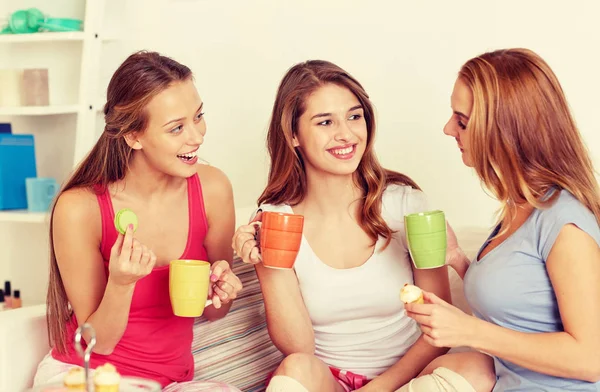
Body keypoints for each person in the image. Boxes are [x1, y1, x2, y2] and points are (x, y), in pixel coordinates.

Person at [233, 60, 458, 392]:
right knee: (295, 367)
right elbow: (299, 349)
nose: (347, 134)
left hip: (410, 381)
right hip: (329, 383)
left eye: (354, 116)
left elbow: (440, 330)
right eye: (325, 122)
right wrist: (266, 263)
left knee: (474, 366)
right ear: (293, 135)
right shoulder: (276, 218)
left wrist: (379, 388)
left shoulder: (405, 205)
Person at [33, 51, 243, 392]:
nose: (197, 136)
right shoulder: (80, 209)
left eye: (198, 116)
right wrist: (120, 284)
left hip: (171, 382)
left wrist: (222, 292)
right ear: (134, 137)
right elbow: (95, 343)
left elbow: (214, 311)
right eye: (177, 127)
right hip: (89, 375)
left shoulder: (212, 189)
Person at [405, 48, 600, 391]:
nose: (449, 128)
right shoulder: (520, 206)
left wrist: (468, 330)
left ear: (505, 131)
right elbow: (522, 307)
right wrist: (457, 260)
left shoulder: (564, 222)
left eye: (462, 120)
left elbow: (590, 359)